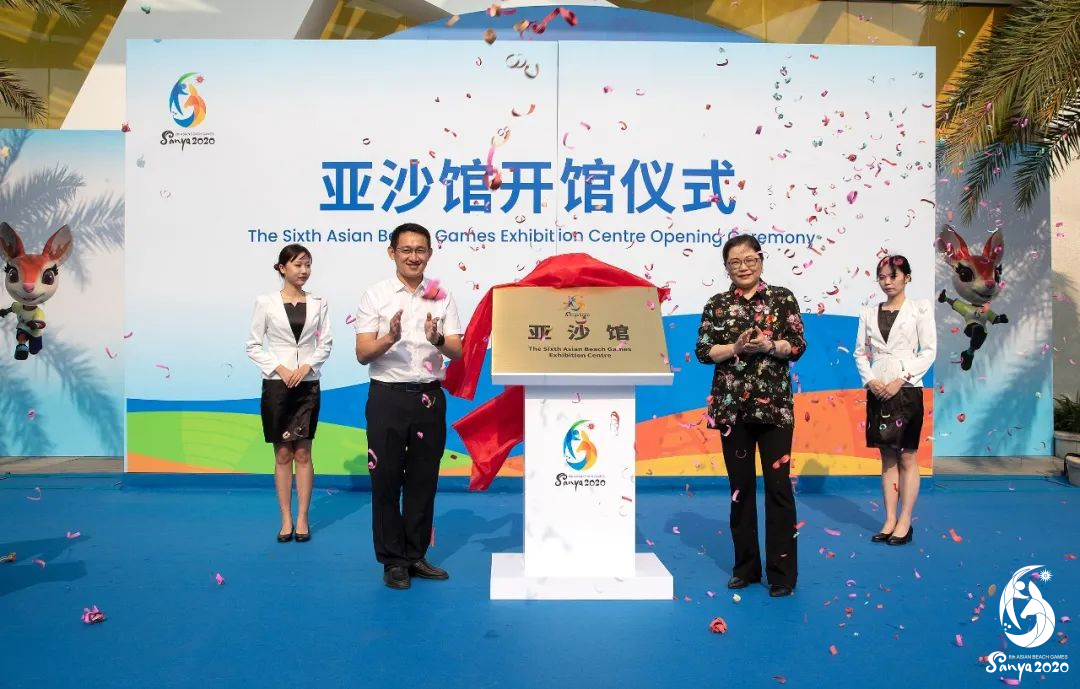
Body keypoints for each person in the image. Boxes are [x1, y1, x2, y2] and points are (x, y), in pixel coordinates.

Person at [695, 234, 807, 598]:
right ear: (726, 267)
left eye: (749, 260)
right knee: (740, 490)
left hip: (774, 409)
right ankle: (745, 568)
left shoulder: (782, 298)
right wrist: (736, 346)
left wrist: (770, 346)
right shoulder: (717, 304)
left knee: (779, 489)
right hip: (733, 410)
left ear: (761, 260)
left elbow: (797, 345)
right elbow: (703, 351)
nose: (743, 267)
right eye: (735, 262)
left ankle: (782, 575)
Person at [354, 222, 463, 590]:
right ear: (392, 253)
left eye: (420, 250)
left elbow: (457, 350)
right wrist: (390, 337)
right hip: (387, 396)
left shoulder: (441, 295)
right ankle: (393, 560)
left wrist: (437, 338)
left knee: (422, 479)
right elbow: (362, 353)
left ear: (429, 254)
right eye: (406, 250)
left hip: (429, 397)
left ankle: (415, 554)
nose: (413, 257)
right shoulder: (376, 295)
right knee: (385, 480)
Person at [246, 244, 333, 543]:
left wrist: (307, 366)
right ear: (282, 268)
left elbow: (326, 343)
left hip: (307, 384)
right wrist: (279, 368)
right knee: (283, 453)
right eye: (298, 265)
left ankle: (303, 518)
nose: (304, 270)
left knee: (304, 452)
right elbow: (253, 345)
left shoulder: (319, 303)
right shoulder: (265, 302)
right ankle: (285, 518)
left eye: (307, 264)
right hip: (277, 385)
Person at [853, 255, 935, 546]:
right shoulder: (868, 312)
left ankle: (905, 520)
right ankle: (889, 519)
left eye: (893, 276)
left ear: (906, 278)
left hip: (907, 389)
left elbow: (929, 351)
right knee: (886, 454)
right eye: (882, 277)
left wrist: (902, 378)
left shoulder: (920, 309)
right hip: (878, 389)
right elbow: (860, 352)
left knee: (907, 455)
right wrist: (871, 381)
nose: (887, 282)